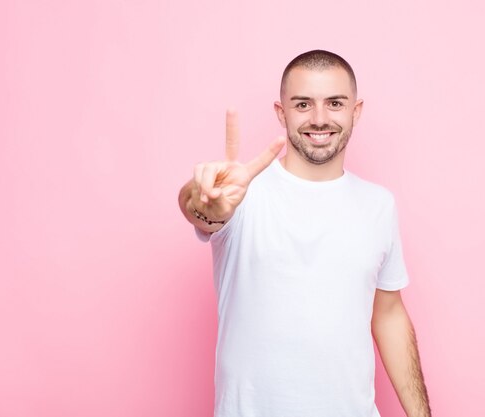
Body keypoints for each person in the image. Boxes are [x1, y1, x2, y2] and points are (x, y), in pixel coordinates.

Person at [178, 50, 431, 417]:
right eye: (302, 104)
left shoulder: (379, 205)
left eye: (335, 103)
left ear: (355, 112)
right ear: (282, 113)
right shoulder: (241, 194)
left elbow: (389, 314)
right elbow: (199, 210)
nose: (319, 118)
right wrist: (203, 202)